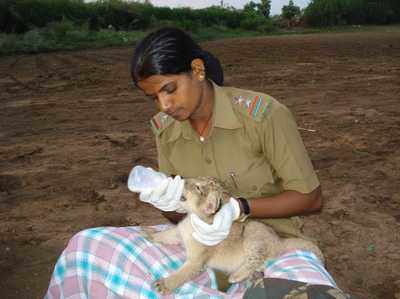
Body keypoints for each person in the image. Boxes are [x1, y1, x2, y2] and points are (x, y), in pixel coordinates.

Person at [46, 27, 352, 299]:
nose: (164, 105)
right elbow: (178, 214)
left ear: (197, 69)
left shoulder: (263, 115)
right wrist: (167, 200)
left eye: (169, 89)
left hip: (272, 244)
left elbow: (310, 199)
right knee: (88, 247)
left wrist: (239, 208)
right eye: (153, 97)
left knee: (300, 293)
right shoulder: (164, 130)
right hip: (203, 245)